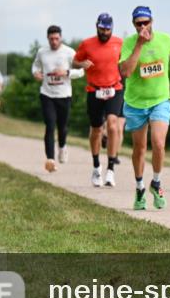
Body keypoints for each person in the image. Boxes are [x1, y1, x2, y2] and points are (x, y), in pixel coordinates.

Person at [119, 6, 170, 210]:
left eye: (145, 22)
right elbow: (126, 72)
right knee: (139, 148)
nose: (142, 26)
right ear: (133, 25)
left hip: (160, 100)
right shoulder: (129, 43)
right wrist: (139, 44)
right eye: (138, 23)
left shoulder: (165, 39)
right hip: (136, 102)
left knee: (158, 142)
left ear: (152, 21)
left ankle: (156, 183)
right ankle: (139, 188)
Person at [74, 13, 124, 188]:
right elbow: (75, 62)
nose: (104, 32)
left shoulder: (119, 43)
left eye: (107, 29)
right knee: (96, 130)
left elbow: (126, 64)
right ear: (97, 26)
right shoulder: (87, 44)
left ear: (112, 28)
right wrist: (82, 64)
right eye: (101, 28)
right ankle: (96, 167)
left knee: (112, 125)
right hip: (94, 90)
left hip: (114, 89)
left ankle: (110, 169)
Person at [32, 25, 84, 172]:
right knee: (50, 126)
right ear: (47, 38)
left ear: (61, 38)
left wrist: (66, 72)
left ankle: (62, 146)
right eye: (51, 39)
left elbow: (81, 71)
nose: (54, 41)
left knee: (62, 127)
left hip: (64, 95)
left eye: (56, 38)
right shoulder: (42, 52)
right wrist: (36, 73)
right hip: (47, 94)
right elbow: (35, 66)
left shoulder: (69, 52)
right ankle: (50, 160)